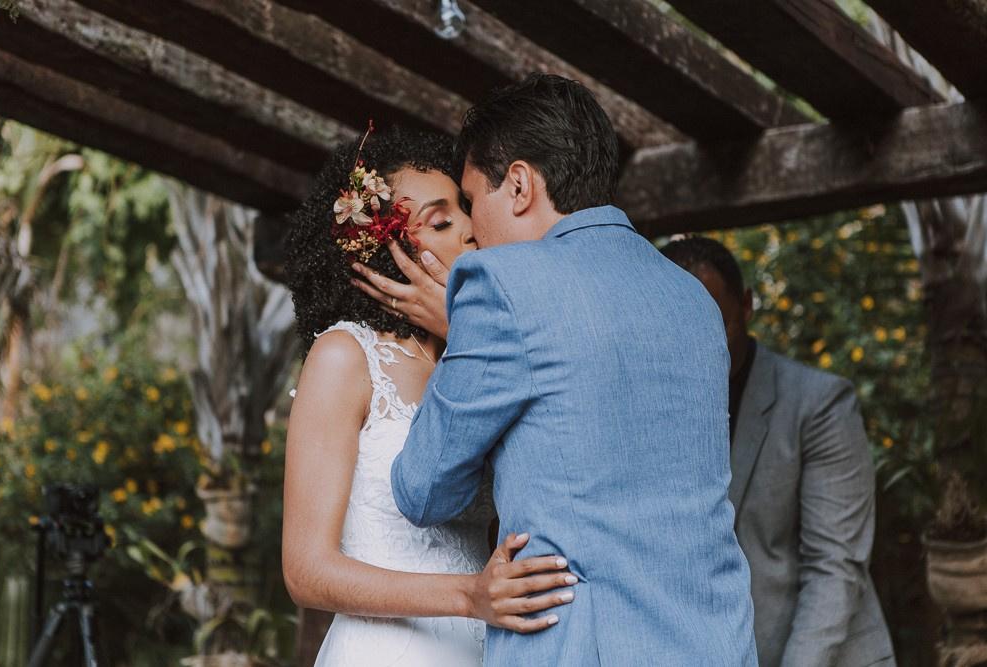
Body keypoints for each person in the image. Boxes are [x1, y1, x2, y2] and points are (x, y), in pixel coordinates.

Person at [358, 74, 757, 665]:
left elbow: (423, 489)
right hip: (716, 643)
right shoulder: (691, 298)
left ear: (519, 184)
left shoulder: (499, 286)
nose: (474, 231)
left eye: (473, 202)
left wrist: (460, 330)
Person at [282, 126, 574, 667]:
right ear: (382, 252)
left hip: (497, 648)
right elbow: (306, 571)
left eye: (464, 209)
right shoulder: (346, 357)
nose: (468, 229)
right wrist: (468, 596)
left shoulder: (486, 358)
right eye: (441, 221)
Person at [661, 236, 896, 667]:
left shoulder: (820, 404)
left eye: (718, 327)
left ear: (747, 306)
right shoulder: (652, 412)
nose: (701, 350)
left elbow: (834, 567)